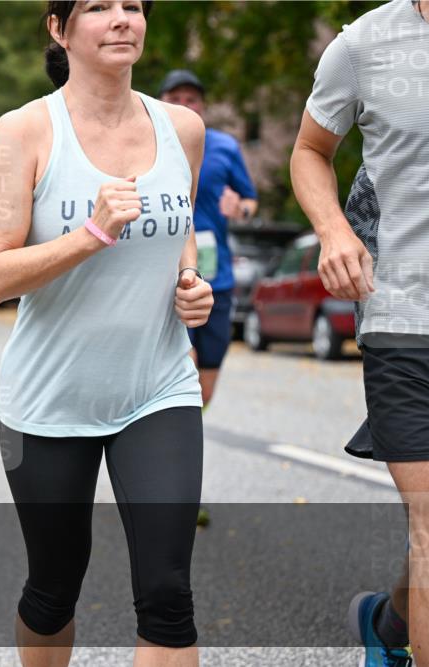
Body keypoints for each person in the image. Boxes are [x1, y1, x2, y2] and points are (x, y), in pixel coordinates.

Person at [0, 1, 214, 665]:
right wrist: (92, 235)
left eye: (132, 5)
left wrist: (190, 280)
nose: (121, 19)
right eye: (99, 7)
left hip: (157, 387)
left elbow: (181, 221)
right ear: (59, 29)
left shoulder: (184, 129)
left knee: (168, 592)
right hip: (50, 400)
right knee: (53, 587)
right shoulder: (18, 133)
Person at [290, 0, 428, 664]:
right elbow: (311, 152)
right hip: (405, 319)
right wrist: (334, 231)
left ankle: (390, 620)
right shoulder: (362, 46)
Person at [158, 69, 258, 408]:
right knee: (181, 368)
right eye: (175, 99)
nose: (184, 106)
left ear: (202, 106)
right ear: (160, 103)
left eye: (191, 100)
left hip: (216, 275)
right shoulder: (146, 142)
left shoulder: (224, 146)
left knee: (207, 379)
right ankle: (172, 442)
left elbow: (249, 200)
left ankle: (185, 436)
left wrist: (239, 209)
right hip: (165, 275)